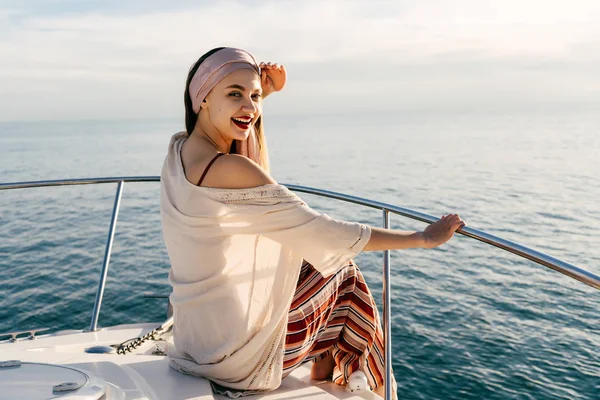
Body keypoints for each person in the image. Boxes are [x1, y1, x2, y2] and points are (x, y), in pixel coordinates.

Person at [160, 47, 466, 399]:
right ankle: (369, 382)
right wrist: (421, 237)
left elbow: (246, 171)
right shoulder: (231, 168)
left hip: (195, 342)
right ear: (202, 98)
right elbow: (323, 232)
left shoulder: (179, 152)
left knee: (306, 264)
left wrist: (259, 98)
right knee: (344, 272)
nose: (250, 107)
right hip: (236, 363)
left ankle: (325, 363)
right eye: (234, 94)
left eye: (254, 97)